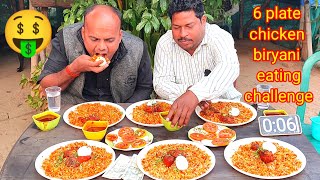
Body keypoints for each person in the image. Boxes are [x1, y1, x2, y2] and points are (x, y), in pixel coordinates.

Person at [39, 5, 153, 104]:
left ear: (119, 36)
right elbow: (46, 86)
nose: (101, 47)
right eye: (94, 39)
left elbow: (145, 87)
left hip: (120, 114)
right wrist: (74, 69)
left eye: (109, 40)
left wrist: (122, 112)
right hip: (73, 112)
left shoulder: (137, 47)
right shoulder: (66, 39)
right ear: (83, 33)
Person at [153, 0, 242, 127]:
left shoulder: (219, 37)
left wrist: (196, 94)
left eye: (189, 26)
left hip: (226, 113)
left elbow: (229, 67)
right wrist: (187, 91)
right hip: (179, 116)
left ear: (203, 21)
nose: (182, 34)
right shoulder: (165, 43)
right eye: (176, 27)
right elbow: (160, 83)